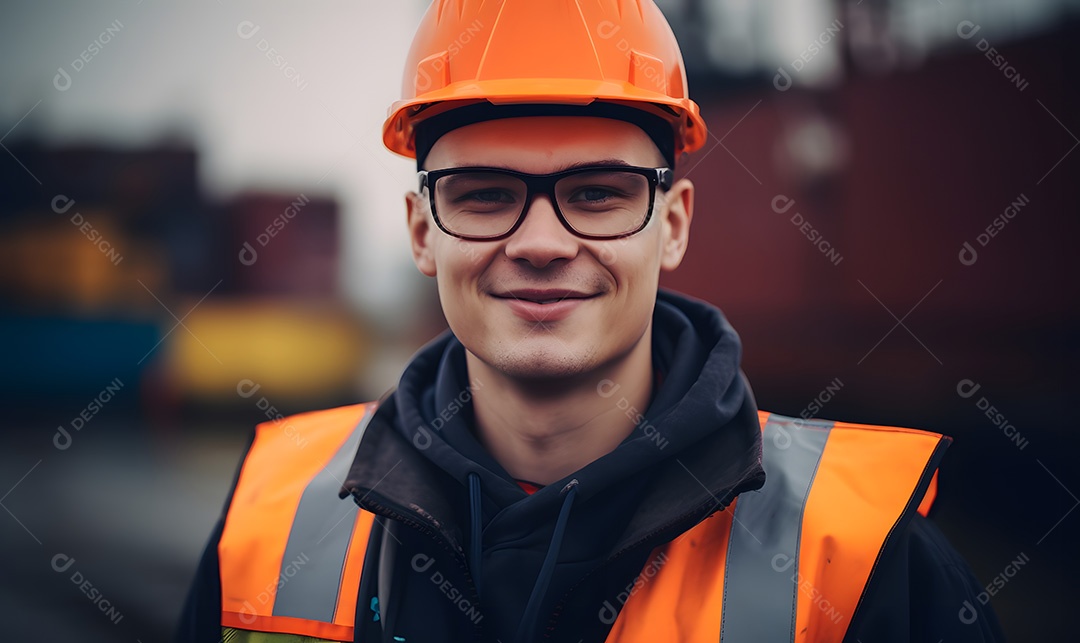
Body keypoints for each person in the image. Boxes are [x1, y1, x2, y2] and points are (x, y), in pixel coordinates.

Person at [176, 2, 1005, 641]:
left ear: (673, 223)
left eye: (598, 193)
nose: (540, 243)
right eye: (486, 194)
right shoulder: (267, 527)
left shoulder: (871, 563)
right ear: (422, 230)